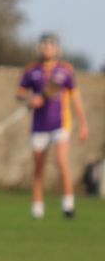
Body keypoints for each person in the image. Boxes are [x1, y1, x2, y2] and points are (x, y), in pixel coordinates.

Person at [17, 33, 89, 219]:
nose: (47, 48)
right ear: (39, 48)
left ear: (57, 48)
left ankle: (68, 205)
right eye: (44, 45)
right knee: (38, 167)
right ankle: (37, 207)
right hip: (39, 125)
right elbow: (20, 92)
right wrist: (30, 99)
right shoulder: (32, 70)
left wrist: (83, 123)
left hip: (60, 123)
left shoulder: (65, 70)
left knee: (61, 161)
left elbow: (75, 97)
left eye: (51, 45)